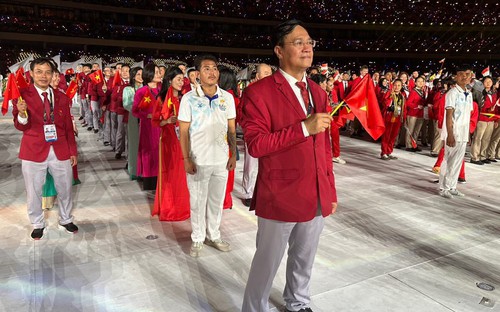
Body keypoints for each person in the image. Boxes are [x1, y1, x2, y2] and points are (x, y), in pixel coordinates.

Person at [240, 20, 337, 312]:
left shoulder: (318, 93)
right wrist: (303, 129)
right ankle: (254, 307)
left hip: (316, 192)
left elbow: (325, 147)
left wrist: (330, 189)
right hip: (280, 193)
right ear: (279, 51)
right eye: (298, 42)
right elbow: (256, 145)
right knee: (267, 261)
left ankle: (298, 301)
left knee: (305, 257)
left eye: (309, 42)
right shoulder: (259, 93)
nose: (307, 47)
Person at [12, 57, 79, 240]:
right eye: (39, 72)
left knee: (65, 188)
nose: (44, 76)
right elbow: (21, 126)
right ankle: (37, 223)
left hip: (60, 148)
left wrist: (72, 151)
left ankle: (66, 219)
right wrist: (22, 113)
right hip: (33, 150)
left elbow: (67, 127)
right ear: (31, 74)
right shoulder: (22, 95)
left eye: (48, 72)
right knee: (33, 191)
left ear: (53, 74)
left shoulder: (62, 98)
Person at [178, 54, 236, 258]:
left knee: (216, 201)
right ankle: (197, 238)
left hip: (221, 160)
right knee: (197, 201)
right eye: (206, 68)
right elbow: (183, 132)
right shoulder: (189, 98)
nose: (212, 72)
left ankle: (214, 235)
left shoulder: (226, 98)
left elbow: (231, 128)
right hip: (198, 160)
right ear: (197, 74)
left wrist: (233, 154)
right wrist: (186, 158)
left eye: (214, 68)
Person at [150, 67, 191, 221]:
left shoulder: (185, 98)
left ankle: (183, 206)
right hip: (169, 142)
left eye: (182, 79)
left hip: (184, 141)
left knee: (183, 174)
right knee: (170, 173)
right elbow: (155, 122)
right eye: (178, 79)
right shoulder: (161, 99)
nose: (182, 82)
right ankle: (169, 207)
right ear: (169, 80)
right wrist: (166, 121)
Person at [439, 65, 473, 198]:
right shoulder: (452, 93)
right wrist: (450, 134)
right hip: (453, 132)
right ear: (455, 77)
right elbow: (449, 115)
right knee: (448, 161)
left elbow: (467, 115)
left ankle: (452, 186)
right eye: (461, 74)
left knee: (458, 162)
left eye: (467, 74)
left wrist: (468, 133)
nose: (464, 77)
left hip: (463, 133)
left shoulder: (469, 94)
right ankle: (443, 188)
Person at [132, 63, 162, 190]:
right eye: (156, 72)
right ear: (149, 74)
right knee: (149, 152)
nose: (159, 74)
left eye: (159, 72)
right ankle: (149, 179)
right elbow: (135, 111)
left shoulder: (163, 89)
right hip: (148, 127)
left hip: (162, 125)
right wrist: (147, 115)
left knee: (160, 151)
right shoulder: (141, 91)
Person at [122, 66, 143, 180]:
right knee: (134, 143)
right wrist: (138, 110)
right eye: (138, 74)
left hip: (145, 118)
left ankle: (145, 169)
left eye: (142, 74)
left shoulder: (146, 88)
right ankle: (135, 170)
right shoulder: (128, 89)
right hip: (134, 118)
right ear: (133, 76)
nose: (141, 76)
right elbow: (126, 104)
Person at [380, 79, 405, 160]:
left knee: (393, 135)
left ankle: (389, 151)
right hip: (389, 117)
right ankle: (384, 152)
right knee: (387, 135)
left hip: (397, 117)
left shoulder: (402, 96)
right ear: (392, 86)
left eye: (399, 85)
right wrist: (390, 101)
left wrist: (403, 117)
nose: (396, 87)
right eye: (395, 85)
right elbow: (384, 102)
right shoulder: (389, 93)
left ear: (401, 87)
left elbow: (404, 107)